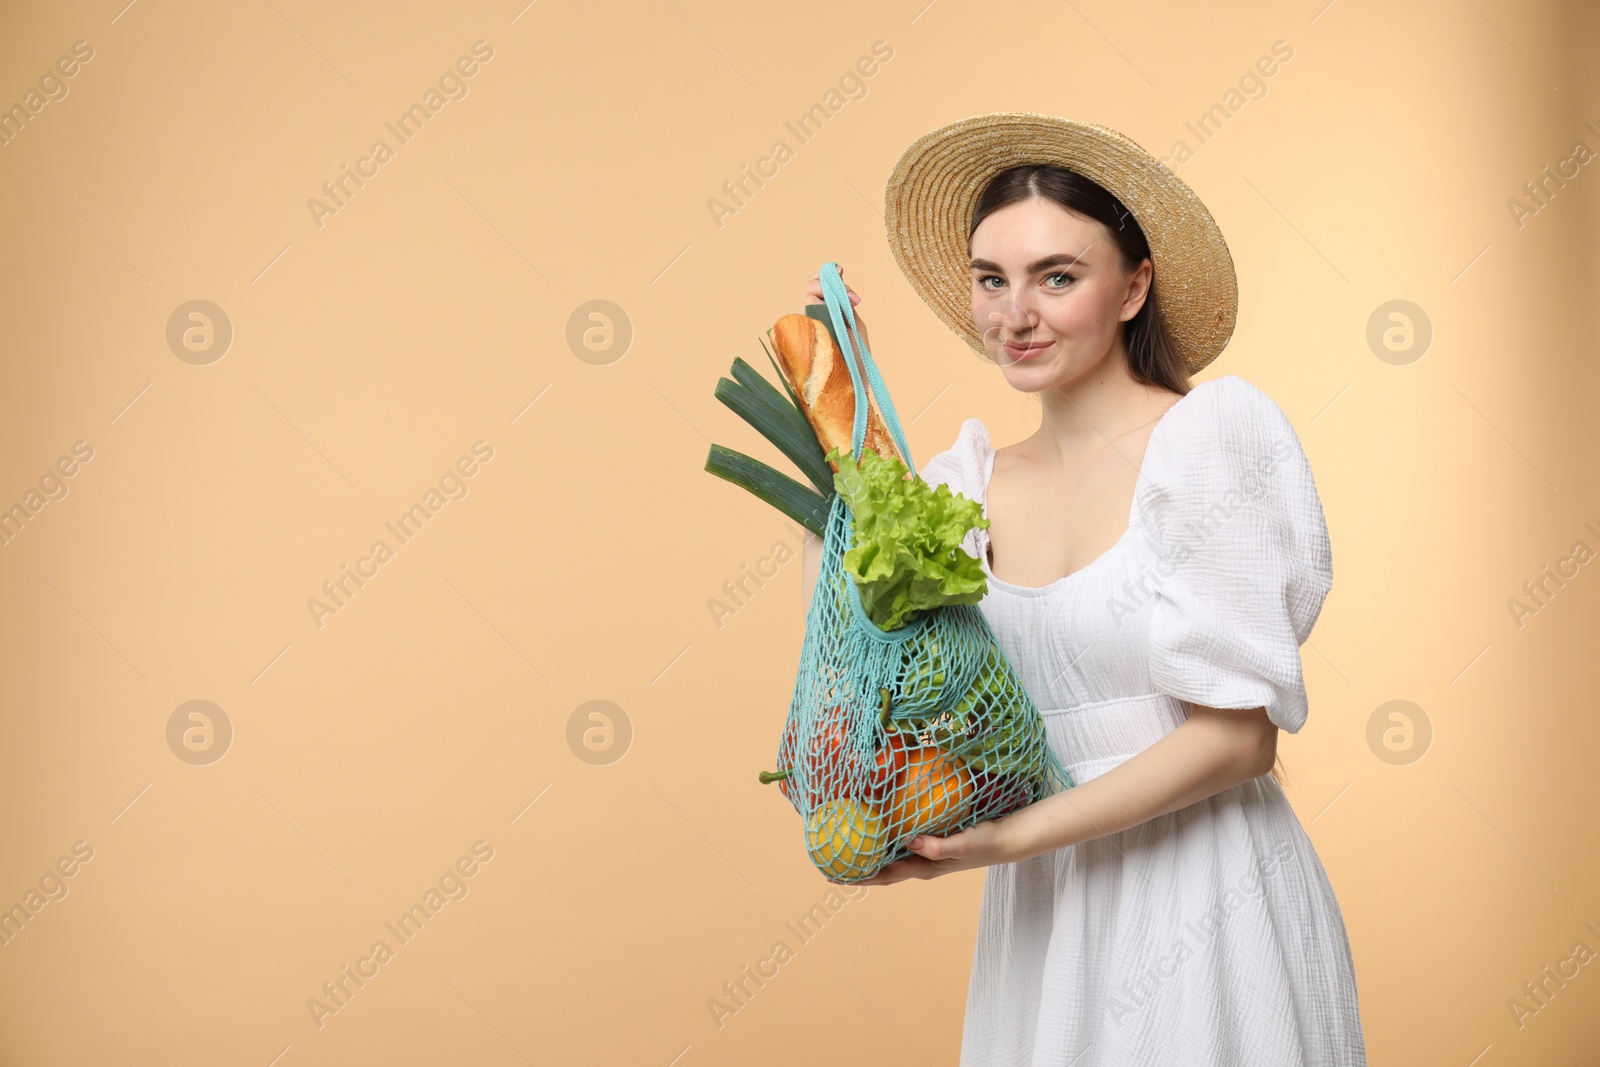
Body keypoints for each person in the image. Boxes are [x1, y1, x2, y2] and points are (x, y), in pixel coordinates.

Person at [799, 114, 1366, 1065]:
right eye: (992, 278)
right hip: (1046, 919)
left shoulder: (1208, 444)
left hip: (1207, 899)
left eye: (1057, 277)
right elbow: (897, 666)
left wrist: (1002, 842)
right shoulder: (965, 487)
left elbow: (1237, 741)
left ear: (1135, 285)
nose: (1014, 315)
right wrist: (845, 404)